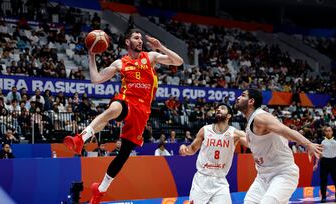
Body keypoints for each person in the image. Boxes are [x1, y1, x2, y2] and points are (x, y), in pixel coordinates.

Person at [63, 28, 183, 204]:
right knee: (113, 109)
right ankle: (81, 138)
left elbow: (178, 62)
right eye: (136, 38)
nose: (140, 41)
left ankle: (100, 190)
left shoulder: (150, 57)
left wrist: (160, 47)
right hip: (127, 100)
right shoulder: (120, 63)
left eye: (141, 38)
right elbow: (96, 79)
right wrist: (91, 56)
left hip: (142, 111)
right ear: (128, 42)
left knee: (124, 154)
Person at [234, 89, 323, 204]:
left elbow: (285, 130)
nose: (238, 97)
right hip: (262, 177)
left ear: (251, 101)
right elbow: (251, 143)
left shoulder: (260, 117)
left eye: (243, 95)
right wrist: (235, 135)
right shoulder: (250, 123)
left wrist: (308, 144)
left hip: (283, 174)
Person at [179, 104, 247, 204]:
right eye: (218, 108)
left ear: (229, 116)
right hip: (202, 180)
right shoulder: (205, 130)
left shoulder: (234, 133)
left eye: (223, 108)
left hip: (220, 181)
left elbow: (251, 143)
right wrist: (184, 149)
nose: (219, 109)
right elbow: (192, 149)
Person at [313, 126, 336, 203]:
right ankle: (323, 197)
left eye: (329, 131)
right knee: (323, 181)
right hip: (324, 162)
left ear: (332, 132)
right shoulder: (321, 141)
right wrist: (316, 163)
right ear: (324, 132)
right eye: (326, 131)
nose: (328, 132)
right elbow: (319, 153)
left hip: (334, 162)